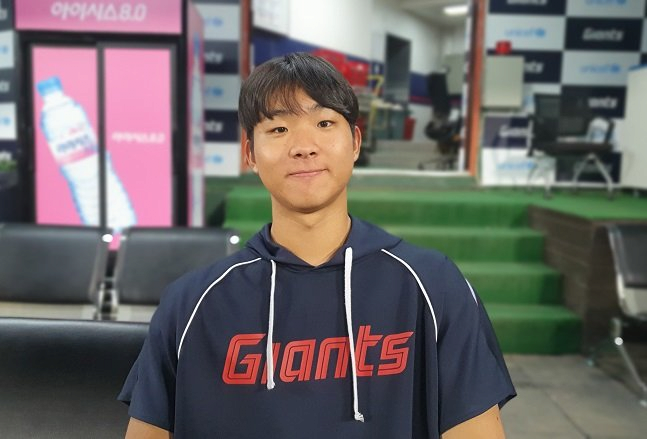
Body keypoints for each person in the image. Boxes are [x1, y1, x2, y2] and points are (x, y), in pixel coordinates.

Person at [119, 52, 516, 438]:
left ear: (355, 142)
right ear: (250, 153)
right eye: (279, 129)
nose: (304, 146)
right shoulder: (190, 305)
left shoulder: (434, 287)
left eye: (324, 123)